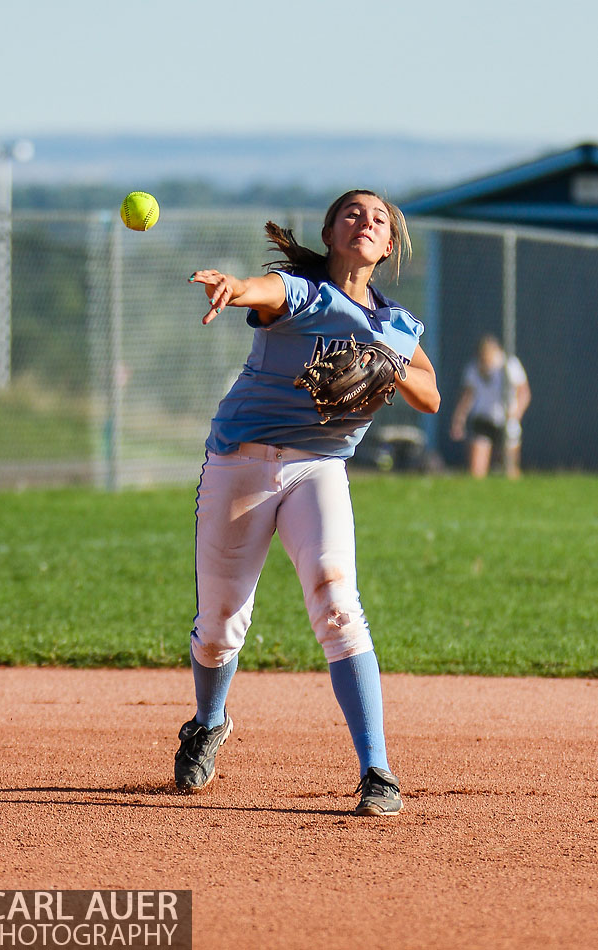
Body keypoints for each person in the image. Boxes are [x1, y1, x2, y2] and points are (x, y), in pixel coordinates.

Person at [173, 190, 440, 816]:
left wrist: (391, 362)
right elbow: (264, 291)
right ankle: (208, 722)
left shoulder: (397, 325)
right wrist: (233, 287)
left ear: (390, 246)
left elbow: (428, 392)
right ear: (329, 231)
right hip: (241, 459)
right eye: (352, 213)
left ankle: (377, 771)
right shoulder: (307, 293)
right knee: (220, 623)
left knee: (336, 600)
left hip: (320, 468)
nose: (365, 222)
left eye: (379, 219)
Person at [450, 335, 531, 479]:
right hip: (483, 419)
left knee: (510, 468)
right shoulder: (473, 368)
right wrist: (459, 420)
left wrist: (516, 414)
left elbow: (524, 393)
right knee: (477, 471)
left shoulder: (509, 366)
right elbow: (467, 396)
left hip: (506, 420)